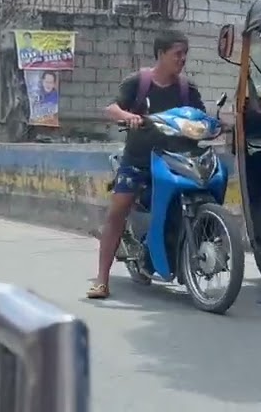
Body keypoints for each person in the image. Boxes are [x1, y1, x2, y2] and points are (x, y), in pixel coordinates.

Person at [87, 30, 204, 300]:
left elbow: (200, 117)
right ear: (161, 54)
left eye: (185, 53)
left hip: (177, 160)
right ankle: (102, 280)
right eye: (178, 54)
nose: (183, 59)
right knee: (118, 210)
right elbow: (112, 108)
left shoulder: (187, 88)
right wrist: (129, 116)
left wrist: (215, 125)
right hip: (139, 159)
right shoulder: (139, 82)